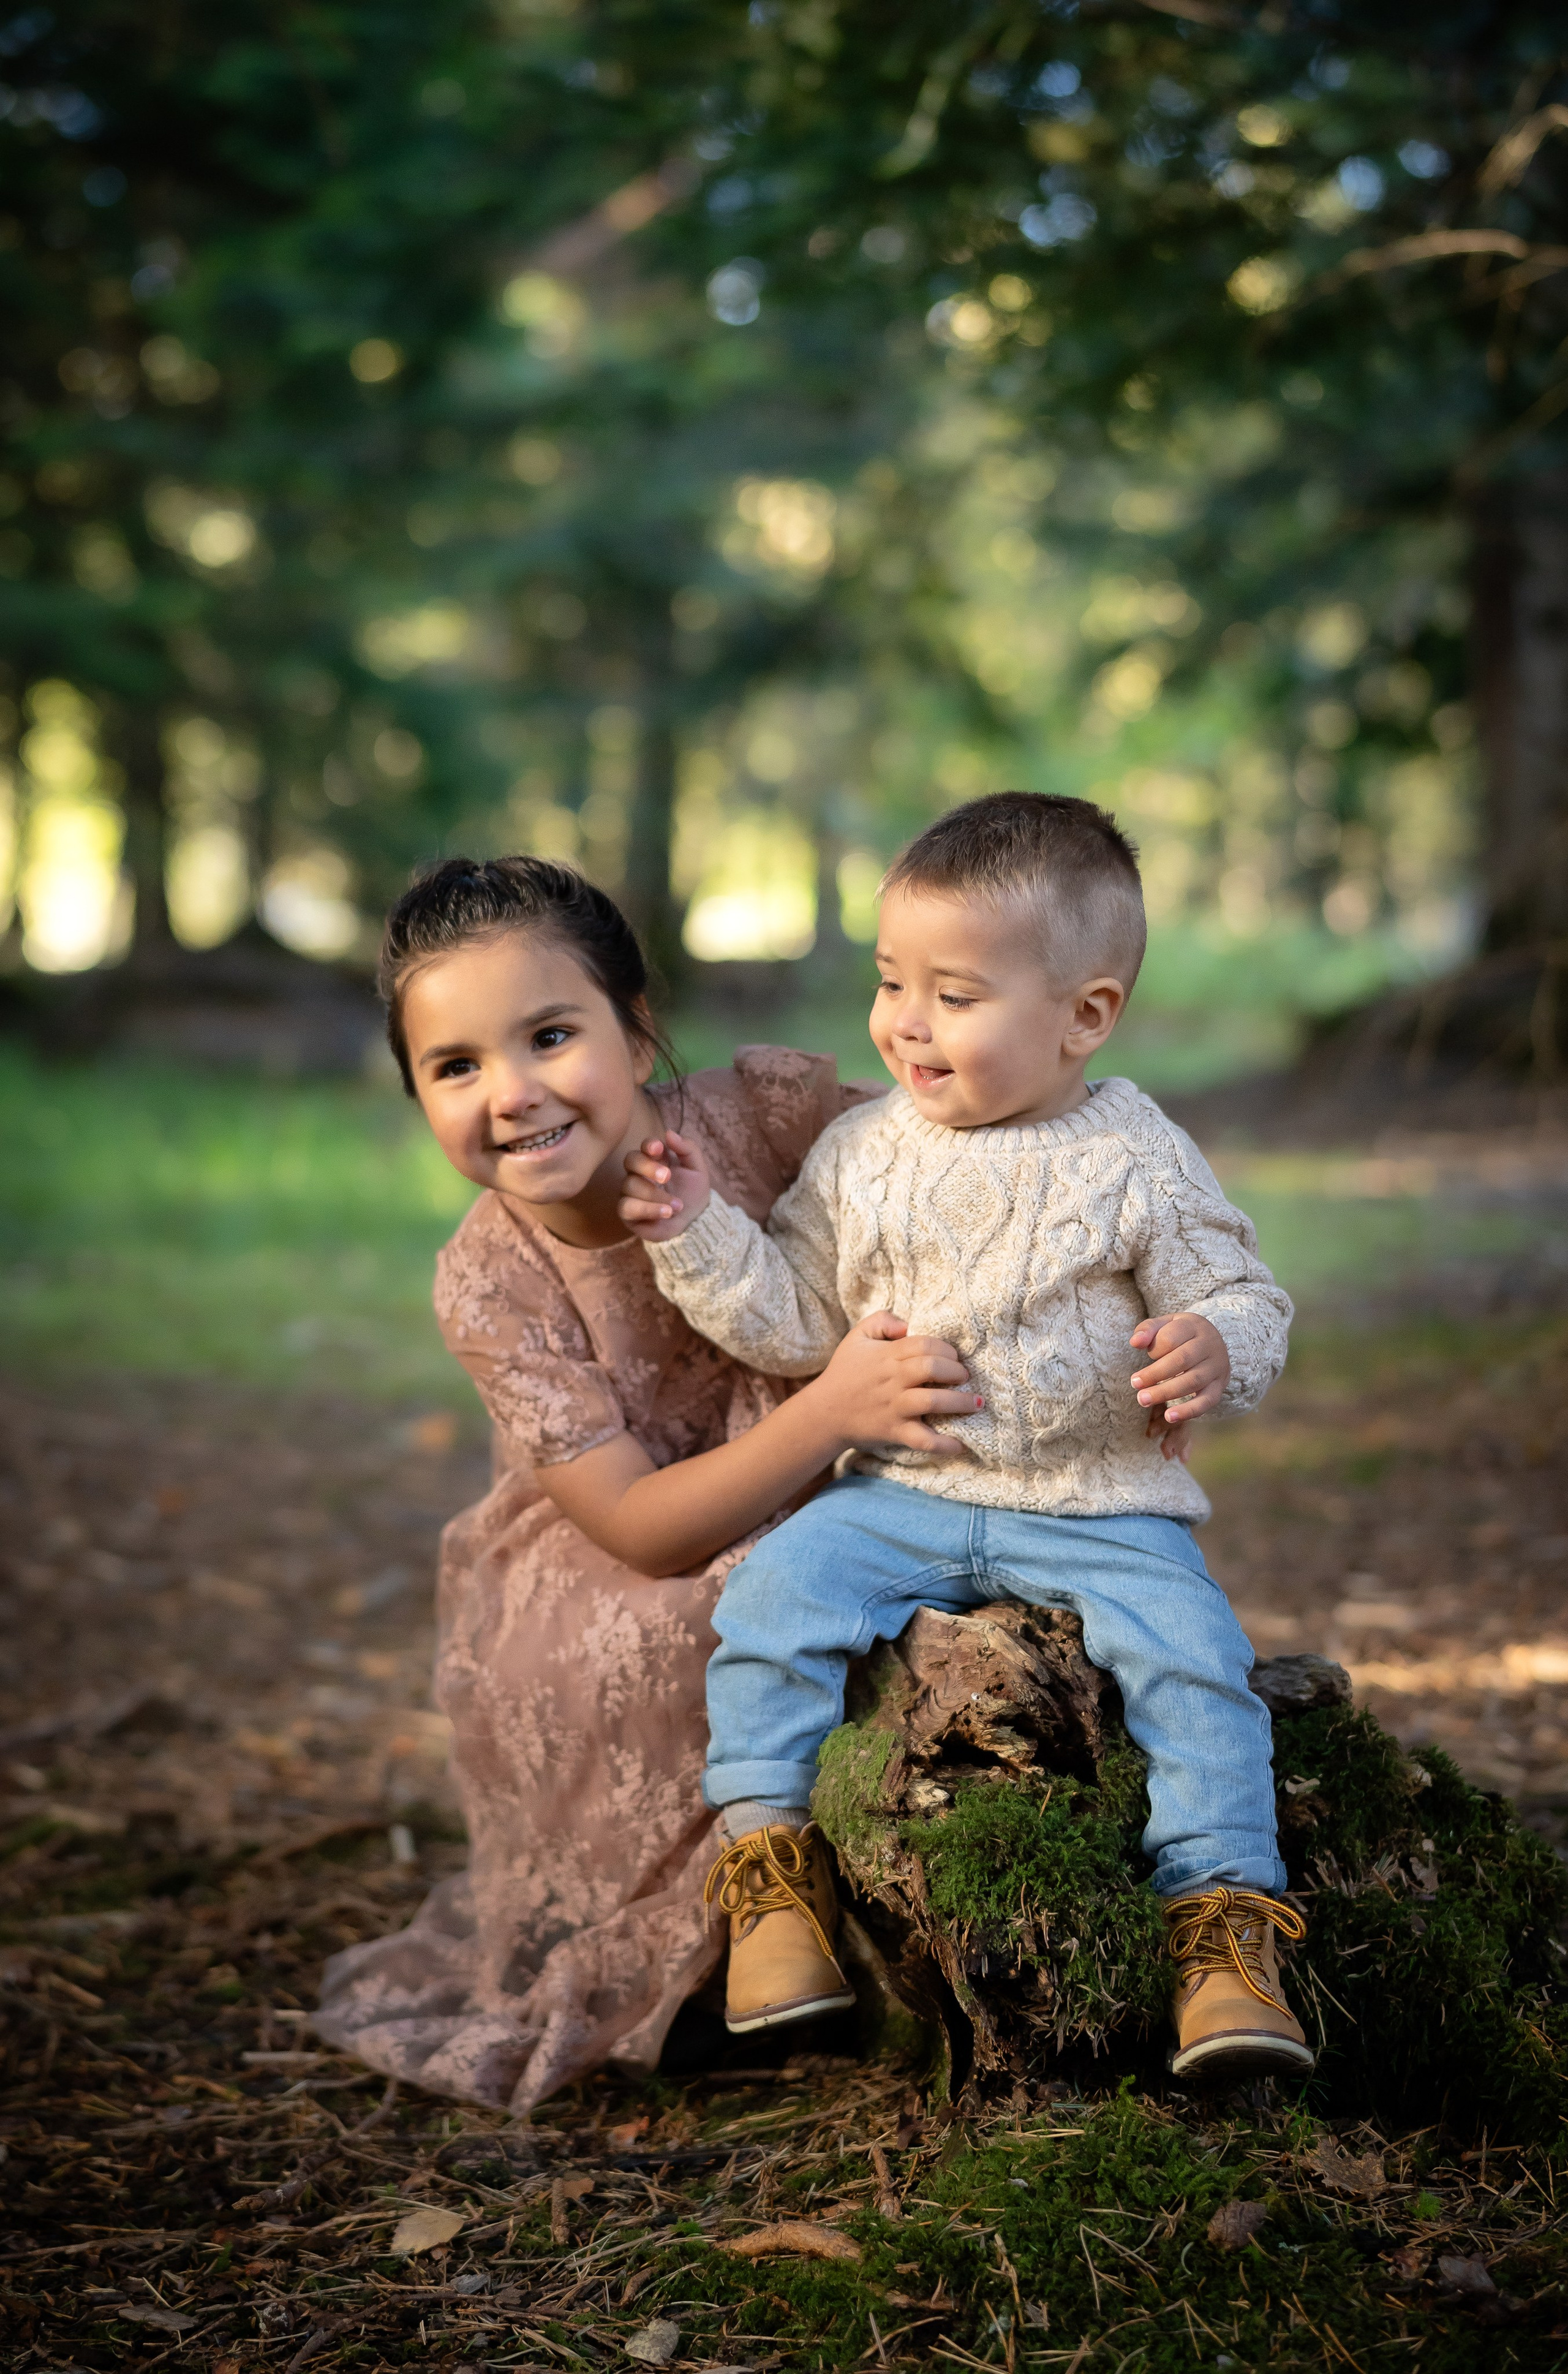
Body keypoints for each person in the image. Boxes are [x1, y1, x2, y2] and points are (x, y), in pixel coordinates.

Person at [621, 792, 1309, 2082]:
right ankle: (769, 1882)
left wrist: (1214, 1346)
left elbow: (1240, 1293)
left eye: (953, 994)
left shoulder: (1136, 1156)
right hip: (905, 1495)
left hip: (1102, 1509)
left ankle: (1221, 1934)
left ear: (1082, 1015)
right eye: (890, 983)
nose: (904, 1024)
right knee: (774, 1590)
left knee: (1197, 1664)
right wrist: (697, 1235)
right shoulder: (861, 1153)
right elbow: (793, 1320)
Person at [313, 855, 977, 2114]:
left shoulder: (767, 1120)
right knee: (712, 1619)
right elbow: (636, 1527)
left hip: (852, 1457)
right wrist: (831, 1409)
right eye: (453, 1068)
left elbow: (969, 1167)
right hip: (616, 1552)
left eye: (549, 1036)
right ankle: (740, 1950)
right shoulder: (489, 1278)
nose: (509, 1095)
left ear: (638, 1028)